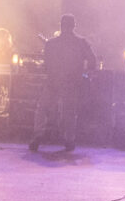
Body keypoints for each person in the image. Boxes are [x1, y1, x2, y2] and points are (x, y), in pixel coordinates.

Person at [31, 13, 96, 152]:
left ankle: (37, 137)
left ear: (61, 26)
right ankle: (69, 140)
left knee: (42, 108)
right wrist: (87, 73)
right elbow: (92, 60)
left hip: (53, 82)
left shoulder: (51, 44)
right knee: (69, 112)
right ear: (74, 26)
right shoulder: (81, 43)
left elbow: (46, 65)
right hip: (71, 83)